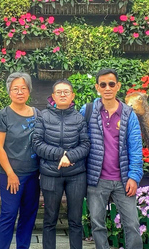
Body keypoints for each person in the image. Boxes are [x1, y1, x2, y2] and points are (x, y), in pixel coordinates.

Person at [80, 68, 144, 249]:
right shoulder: (87, 110)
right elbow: (77, 139)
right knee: (97, 225)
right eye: (103, 84)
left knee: (132, 224)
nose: (107, 88)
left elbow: (136, 147)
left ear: (118, 86)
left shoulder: (128, 114)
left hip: (123, 180)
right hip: (97, 179)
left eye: (111, 84)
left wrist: (134, 176)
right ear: (97, 87)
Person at [32, 79, 90, 249]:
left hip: (76, 174)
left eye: (66, 92)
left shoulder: (79, 118)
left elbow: (86, 144)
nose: (63, 94)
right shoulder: (43, 116)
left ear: (72, 95)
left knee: (75, 219)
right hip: (50, 174)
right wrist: (60, 154)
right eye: (59, 92)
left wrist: (70, 157)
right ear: (53, 96)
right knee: (50, 219)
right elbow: (37, 143)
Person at [0, 72, 40, 249]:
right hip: (11, 175)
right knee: (9, 213)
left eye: (23, 88)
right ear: (9, 91)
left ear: (29, 91)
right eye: (15, 89)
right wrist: (11, 174)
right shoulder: (3, 115)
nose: (20, 92)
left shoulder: (37, 114)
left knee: (28, 215)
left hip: (33, 174)